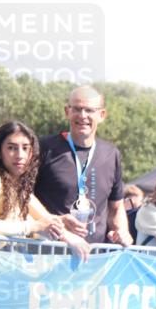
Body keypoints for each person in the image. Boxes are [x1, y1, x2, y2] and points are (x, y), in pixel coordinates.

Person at [0, 121, 89, 260]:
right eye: (11, 148)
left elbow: (42, 220)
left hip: (9, 265)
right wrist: (33, 226)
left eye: (25, 148)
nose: (20, 155)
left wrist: (60, 221)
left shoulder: (19, 188)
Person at [34, 86, 132, 245]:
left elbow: (116, 207)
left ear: (102, 115)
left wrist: (122, 231)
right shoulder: (44, 148)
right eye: (77, 109)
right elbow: (24, 197)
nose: (83, 115)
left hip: (95, 255)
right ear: (67, 111)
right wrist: (55, 222)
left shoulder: (111, 154)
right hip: (49, 251)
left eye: (89, 110)